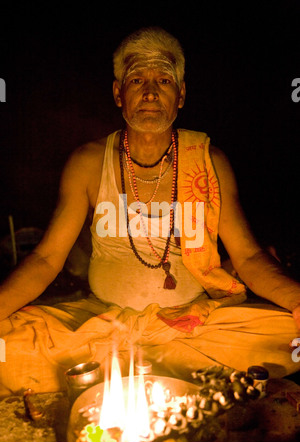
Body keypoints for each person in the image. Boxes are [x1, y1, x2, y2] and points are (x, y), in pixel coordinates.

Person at [0, 27, 299, 397]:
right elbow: (46, 259)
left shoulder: (208, 161)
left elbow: (250, 257)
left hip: (192, 322)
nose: (151, 92)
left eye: (163, 80)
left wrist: (297, 300)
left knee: (291, 335)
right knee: (5, 348)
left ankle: (124, 369)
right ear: (118, 94)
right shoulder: (88, 162)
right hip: (103, 320)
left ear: (181, 95)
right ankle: (173, 369)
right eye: (137, 79)